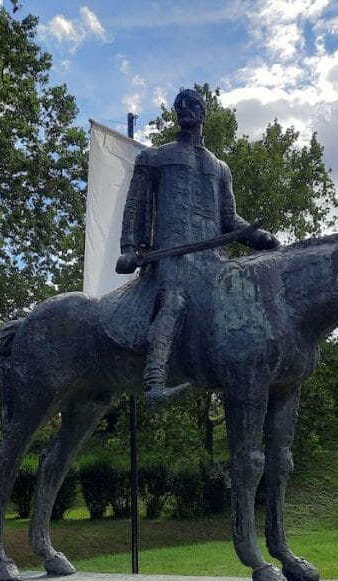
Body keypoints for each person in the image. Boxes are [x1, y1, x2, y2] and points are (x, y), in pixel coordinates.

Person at [118, 88, 279, 406]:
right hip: (173, 256)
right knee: (174, 299)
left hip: (214, 259)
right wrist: (128, 247)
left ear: (204, 113)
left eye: (191, 105)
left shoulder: (220, 168)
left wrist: (261, 238)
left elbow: (229, 220)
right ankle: (154, 381)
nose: (184, 109)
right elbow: (136, 206)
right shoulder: (154, 156)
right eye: (179, 106)